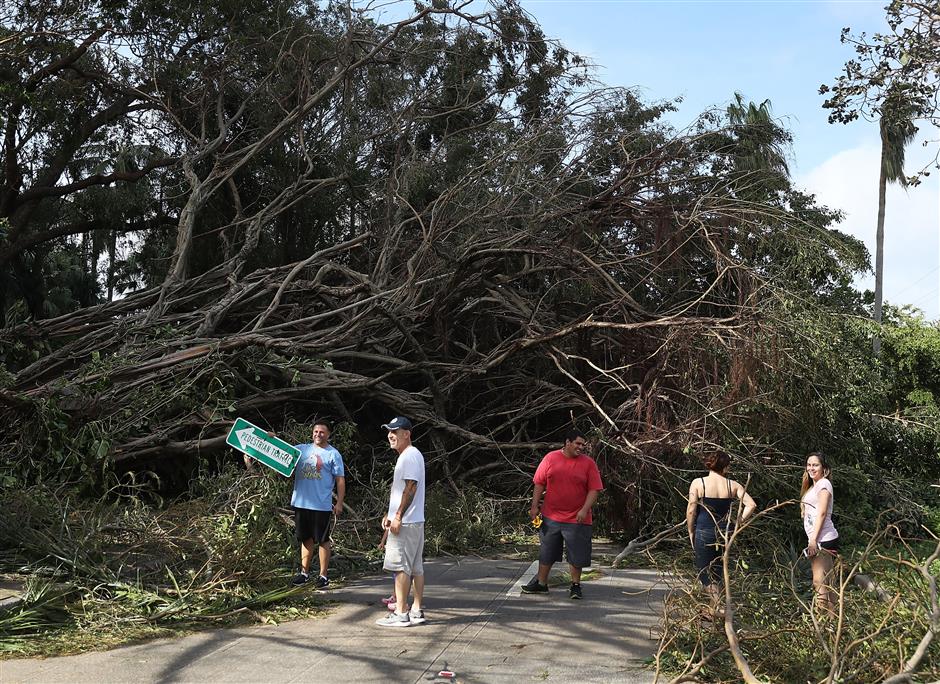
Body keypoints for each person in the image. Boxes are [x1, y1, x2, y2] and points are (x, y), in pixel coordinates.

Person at [522, 429, 603, 599]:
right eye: (578, 443)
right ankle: (541, 584)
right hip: (551, 516)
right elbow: (539, 483)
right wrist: (534, 506)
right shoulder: (551, 458)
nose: (581, 447)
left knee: (576, 554)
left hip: (577, 518)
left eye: (583, 445)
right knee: (547, 551)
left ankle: (575, 585)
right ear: (567, 442)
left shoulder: (588, 464)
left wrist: (584, 509)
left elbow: (594, 489)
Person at [686, 450, 757, 611]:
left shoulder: (698, 483)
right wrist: (736, 523)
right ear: (725, 467)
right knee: (717, 571)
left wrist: (691, 531)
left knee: (704, 573)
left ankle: (718, 608)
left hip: (704, 531)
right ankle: (712, 612)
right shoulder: (733, 485)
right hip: (724, 533)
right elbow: (751, 505)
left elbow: (691, 509)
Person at [375, 416, 427, 627]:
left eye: (395, 431)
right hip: (413, 520)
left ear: (407, 434)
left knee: (400, 568)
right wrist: (391, 514)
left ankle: (400, 612)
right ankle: (415, 610)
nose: (390, 435)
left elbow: (411, 487)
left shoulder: (410, 456)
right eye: (389, 431)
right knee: (415, 568)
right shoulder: (409, 455)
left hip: (406, 523)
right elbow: (403, 491)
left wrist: (397, 517)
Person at [288, 422, 346, 588]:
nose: (318, 434)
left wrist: (339, 503)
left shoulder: (333, 454)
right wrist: (270, 437)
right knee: (305, 538)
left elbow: (340, 480)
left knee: (322, 540)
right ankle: (304, 573)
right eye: (315, 431)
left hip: (321, 505)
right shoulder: (301, 449)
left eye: (322, 432)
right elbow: (281, 453)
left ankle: (323, 576)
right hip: (301, 503)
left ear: (328, 435)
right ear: (312, 433)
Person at [801, 451, 839, 613]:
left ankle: (822, 619)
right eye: (809, 465)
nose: (811, 468)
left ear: (824, 468)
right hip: (819, 538)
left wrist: (813, 540)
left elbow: (822, 512)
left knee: (819, 583)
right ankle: (834, 620)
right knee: (828, 582)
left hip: (822, 539)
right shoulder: (814, 485)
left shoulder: (824, 484)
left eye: (815, 465)